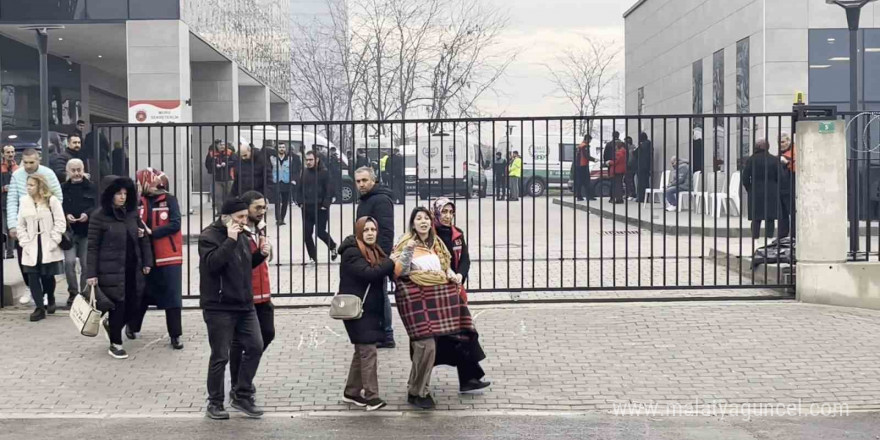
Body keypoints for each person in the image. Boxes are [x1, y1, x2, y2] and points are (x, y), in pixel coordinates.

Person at [390, 207, 480, 410]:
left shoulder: (437, 243)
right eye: (418, 218)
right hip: (416, 300)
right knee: (426, 345)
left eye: (426, 219)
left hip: (436, 299)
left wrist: (452, 275)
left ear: (431, 222)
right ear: (412, 223)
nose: (423, 222)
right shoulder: (405, 242)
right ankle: (419, 391)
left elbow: (444, 265)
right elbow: (398, 272)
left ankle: (417, 390)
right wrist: (408, 251)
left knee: (428, 347)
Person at [198, 197, 268, 420]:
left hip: (244, 303)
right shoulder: (209, 236)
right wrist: (229, 240)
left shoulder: (244, 235)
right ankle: (215, 402)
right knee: (220, 355)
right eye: (239, 217)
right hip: (219, 306)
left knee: (256, 345)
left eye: (245, 217)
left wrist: (260, 255)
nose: (244, 221)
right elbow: (213, 264)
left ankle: (242, 393)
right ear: (226, 218)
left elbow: (244, 264)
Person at [86, 176, 153, 360]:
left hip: (132, 267)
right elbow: (92, 247)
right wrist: (91, 273)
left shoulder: (131, 214)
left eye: (125, 193)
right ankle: (116, 343)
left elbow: (143, 238)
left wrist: (147, 262)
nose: (122, 197)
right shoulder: (98, 216)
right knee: (118, 306)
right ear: (110, 195)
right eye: (118, 193)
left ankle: (112, 327)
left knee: (134, 305)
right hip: (110, 269)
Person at [337, 216, 396, 411]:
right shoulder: (352, 253)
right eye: (366, 230)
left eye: (373, 229)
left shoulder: (374, 250)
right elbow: (369, 273)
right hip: (356, 311)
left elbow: (383, 269)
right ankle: (372, 397)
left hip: (368, 310)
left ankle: (352, 392)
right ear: (359, 232)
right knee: (368, 351)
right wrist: (390, 262)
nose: (370, 233)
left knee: (361, 351)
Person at [432, 198, 490, 394]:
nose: (448, 216)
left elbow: (465, 259)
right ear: (436, 213)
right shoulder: (430, 234)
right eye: (444, 212)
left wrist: (460, 274)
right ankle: (417, 380)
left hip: (455, 290)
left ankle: (469, 378)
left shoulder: (457, 234)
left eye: (450, 212)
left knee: (462, 334)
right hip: (437, 293)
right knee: (435, 340)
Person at [126, 168, 184, 350]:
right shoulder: (137, 201)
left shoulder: (169, 199)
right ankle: (133, 327)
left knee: (172, 297)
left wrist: (153, 233)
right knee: (141, 293)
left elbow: (175, 223)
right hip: (146, 256)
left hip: (169, 256)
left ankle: (176, 335)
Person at [229, 190, 275, 401]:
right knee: (241, 342)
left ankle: (243, 375)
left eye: (264, 207)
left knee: (268, 333)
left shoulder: (260, 228)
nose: (262, 211)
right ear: (246, 208)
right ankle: (238, 383)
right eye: (258, 208)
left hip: (263, 293)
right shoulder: (238, 230)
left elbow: (265, 256)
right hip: (246, 294)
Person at [354, 166, 396, 348]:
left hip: (377, 254)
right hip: (366, 253)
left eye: (364, 180)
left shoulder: (380, 200)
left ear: (373, 180)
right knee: (376, 292)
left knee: (382, 293)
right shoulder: (367, 199)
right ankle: (380, 331)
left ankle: (387, 334)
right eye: (358, 181)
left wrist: (381, 257)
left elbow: (386, 231)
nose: (361, 184)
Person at [18, 174, 66, 321]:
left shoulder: (52, 200)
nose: (29, 188)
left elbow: (60, 222)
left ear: (40, 186)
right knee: (32, 275)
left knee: (47, 275)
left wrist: (54, 240)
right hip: (31, 245)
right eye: (28, 185)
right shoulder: (24, 201)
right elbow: (21, 224)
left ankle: (50, 297)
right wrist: (24, 242)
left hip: (47, 243)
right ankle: (39, 307)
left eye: (32, 185)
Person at [61, 159, 96, 308]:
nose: (76, 173)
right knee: (68, 263)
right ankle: (73, 293)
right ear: (68, 171)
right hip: (70, 232)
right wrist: (66, 214)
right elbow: (58, 206)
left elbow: (97, 206)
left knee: (86, 264)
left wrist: (87, 214)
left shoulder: (91, 187)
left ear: (83, 170)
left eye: (79, 170)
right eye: (73, 170)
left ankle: (84, 294)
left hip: (86, 231)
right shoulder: (63, 188)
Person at [298, 151, 337, 264]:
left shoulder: (324, 173)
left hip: (320, 208)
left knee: (320, 232)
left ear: (317, 160)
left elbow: (329, 190)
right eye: (307, 160)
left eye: (311, 160)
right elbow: (299, 189)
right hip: (306, 208)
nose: (308, 162)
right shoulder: (304, 172)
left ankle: (333, 246)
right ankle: (313, 257)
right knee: (307, 234)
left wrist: (325, 205)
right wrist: (300, 202)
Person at [742, 139, 781, 239]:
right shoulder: (774, 159)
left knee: (756, 218)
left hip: (755, 191)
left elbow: (745, 177)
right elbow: (780, 176)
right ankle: (769, 238)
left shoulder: (751, 159)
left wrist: (749, 188)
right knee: (770, 218)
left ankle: (755, 238)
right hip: (771, 191)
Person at [204, 142, 237, 216]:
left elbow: (236, 162)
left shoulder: (230, 153)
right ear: (217, 146)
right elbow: (208, 164)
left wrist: (226, 164)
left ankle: (229, 211)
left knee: (229, 196)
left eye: (223, 145)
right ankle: (220, 211)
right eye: (220, 145)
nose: (222, 146)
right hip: (217, 178)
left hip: (229, 178)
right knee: (217, 196)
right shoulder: (213, 154)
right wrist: (215, 166)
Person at [271, 143, 295, 225]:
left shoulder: (290, 159)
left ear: (285, 149)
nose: (281, 149)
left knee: (285, 202)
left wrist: (293, 179)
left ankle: (282, 218)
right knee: (277, 201)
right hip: (276, 181)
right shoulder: (272, 158)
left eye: (283, 147)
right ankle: (278, 219)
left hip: (286, 182)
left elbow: (293, 170)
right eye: (280, 147)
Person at [2, 145, 19, 258]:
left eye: (12, 152)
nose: (10, 154)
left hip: (13, 203)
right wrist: (3, 189)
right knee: (3, 229)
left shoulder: (17, 168)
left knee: (12, 227)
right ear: (3, 154)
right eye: (8, 152)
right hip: (2, 203)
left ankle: (10, 253)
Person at [779, 134, 796, 239]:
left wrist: (786, 162)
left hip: (791, 187)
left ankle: (794, 235)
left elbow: (796, 166)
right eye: (779, 142)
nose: (781, 145)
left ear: (789, 141)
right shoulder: (782, 153)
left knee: (793, 212)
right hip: (782, 188)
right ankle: (782, 236)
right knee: (782, 214)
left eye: (783, 142)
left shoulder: (793, 151)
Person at [573, 135, 596, 201]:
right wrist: (594, 159)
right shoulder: (585, 146)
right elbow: (586, 156)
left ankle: (579, 196)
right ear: (587, 139)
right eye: (590, 140)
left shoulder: (580, 145)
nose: (590, 142)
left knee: (579, 182)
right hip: (583, 166)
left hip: (578, 165)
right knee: (587, 181)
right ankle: (589, 196)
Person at [635, 132, 653, 203]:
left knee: (641, 183)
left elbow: (636, 153)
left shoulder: (642, 144)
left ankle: (641, 197)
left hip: (641, 167)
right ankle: (646, 197)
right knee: (646, 183)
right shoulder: (649, 144)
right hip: (647, 167)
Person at [624, 136, 637, 200]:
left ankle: (631, 194)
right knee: (628, 180)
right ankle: (630, 194)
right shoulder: (632, 148)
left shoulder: (631, 149)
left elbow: (630, 159)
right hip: (631, 167)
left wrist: (627, 165)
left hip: (630, 167)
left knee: (629, 180)